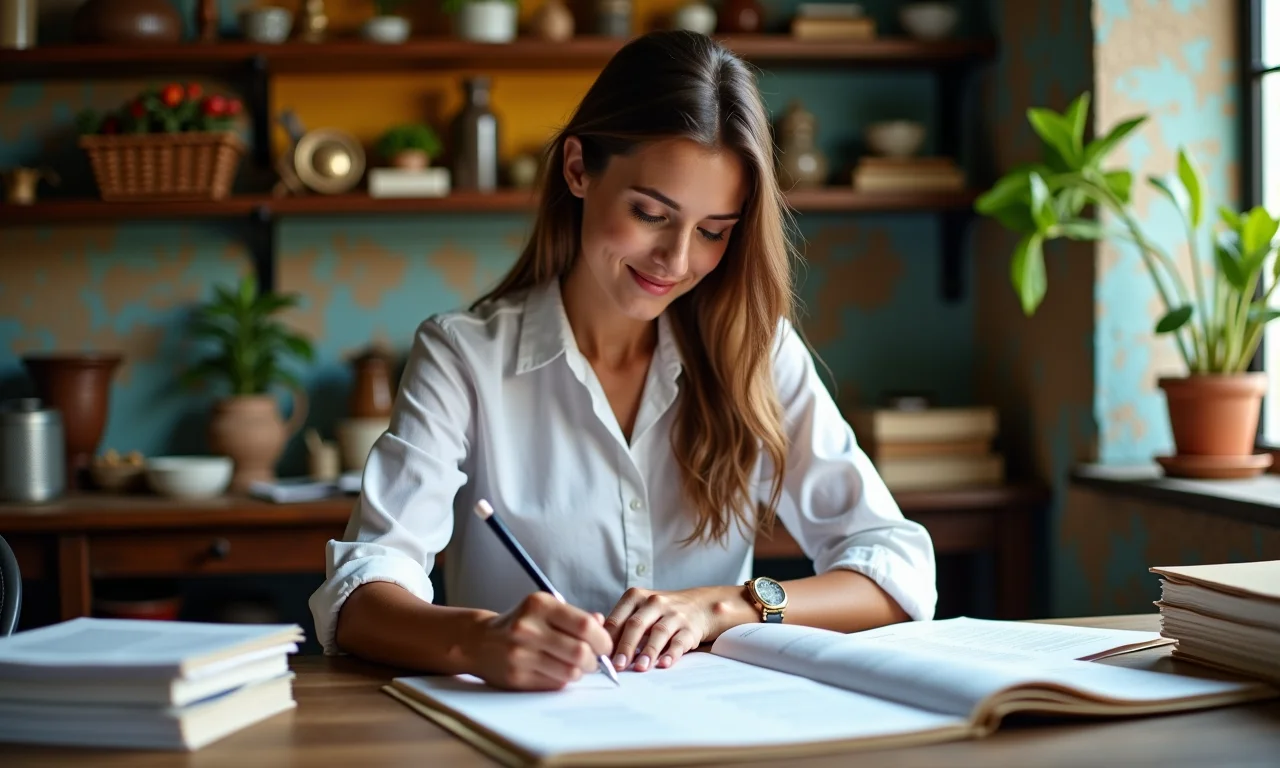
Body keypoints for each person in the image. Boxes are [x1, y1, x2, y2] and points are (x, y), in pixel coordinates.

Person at [309, 30, 937, 692]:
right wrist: (477, 639)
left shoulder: (757, 351)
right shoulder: (464, 356)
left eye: (714, 231)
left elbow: (897, 567)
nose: (676, 259)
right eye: (650, 213)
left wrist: (724, 606)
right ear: (578, 169)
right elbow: (359, 595)